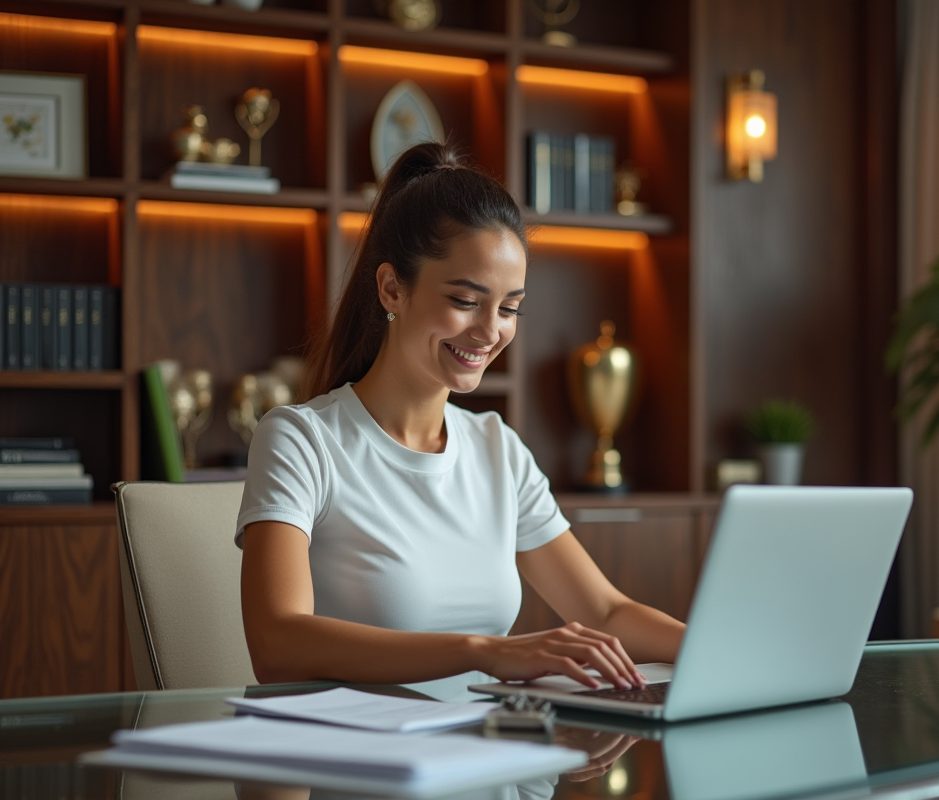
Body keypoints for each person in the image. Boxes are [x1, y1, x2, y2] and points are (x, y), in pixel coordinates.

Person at [235, 142, 686, 702]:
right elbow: (277, 644)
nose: (490, 331)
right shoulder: (302, 441)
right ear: (391, 288)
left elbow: (606, 611)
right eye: (466, 301)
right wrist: (483, 651)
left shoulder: (497, 448)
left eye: (510, 308)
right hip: (361, 751)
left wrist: (725, 650)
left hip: (482, 747)